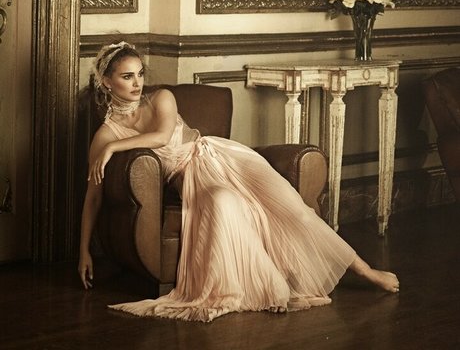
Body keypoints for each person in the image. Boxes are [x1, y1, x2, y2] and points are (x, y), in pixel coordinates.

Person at [79, 41, 399, 323]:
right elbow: (93, 196)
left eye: (139, 74)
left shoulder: (161, 98)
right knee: (225, 201)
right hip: (191, 177)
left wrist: (114, 147)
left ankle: (365, 271)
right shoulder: (106, 135)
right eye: (127, 76)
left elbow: (163, 136)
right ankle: (268, 286)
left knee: (292, 207)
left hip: (224, 156)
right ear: (106, 81)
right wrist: (84, 251)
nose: (137, 83)